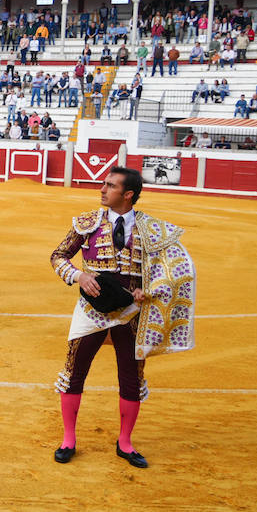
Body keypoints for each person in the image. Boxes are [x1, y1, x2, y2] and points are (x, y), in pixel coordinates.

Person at [48, 167, 195, 468]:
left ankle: (125, 443)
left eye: (110, 185)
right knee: (74, 371)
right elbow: (58, 256)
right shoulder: (86, 223)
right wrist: (78, 275)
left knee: (131, 378)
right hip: (92, 309)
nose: (102, 189)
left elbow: (171, 272)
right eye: (104, 184)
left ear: (128, 194)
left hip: (132, 312)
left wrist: (149, 290)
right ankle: (68, 439)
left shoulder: (152, 229)